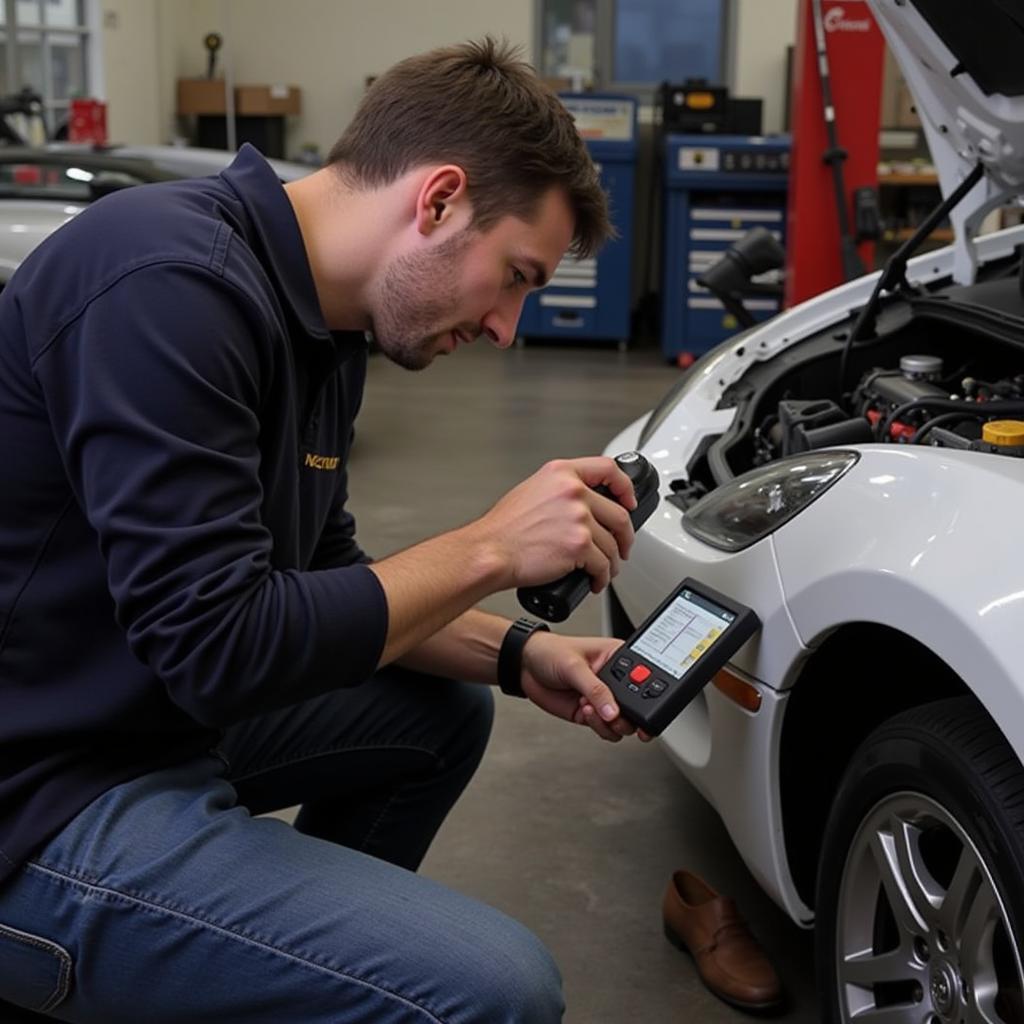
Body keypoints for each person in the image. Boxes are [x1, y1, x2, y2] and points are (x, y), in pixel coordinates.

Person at [0, 38, 646, 1023]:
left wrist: (523, 655)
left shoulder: (329, 330)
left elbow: (325, 572)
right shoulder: (167, 282)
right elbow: (219, 648)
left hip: (140, 715)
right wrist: (489, 546)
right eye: (515, 276)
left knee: (436, 714)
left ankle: (278, 975)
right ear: (435, 201)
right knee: (494, 990)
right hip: (40, 790)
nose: (509, 328)